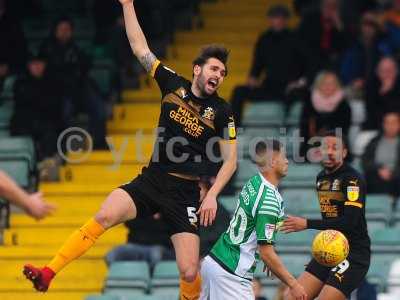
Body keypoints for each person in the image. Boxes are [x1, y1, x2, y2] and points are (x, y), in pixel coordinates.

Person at [23, 0, 237, 294]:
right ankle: (48, 273)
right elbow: (140, 49)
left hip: (184, 192)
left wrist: (211, 195)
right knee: (104, 215)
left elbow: (231, 162)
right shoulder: (173, 84)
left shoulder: (222, 111)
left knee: (189, 272)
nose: (218, 75)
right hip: (152, 180)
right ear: (197, 69)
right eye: (214, 68)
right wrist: (128, 4)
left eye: (223, 73)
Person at [199, 140, 307, 300]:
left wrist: (270, 251)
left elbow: (255, 227)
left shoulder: (254, 182)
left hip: (215, 261)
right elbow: (266, 253)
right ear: (272, 161)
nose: (287, 161)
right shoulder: (269, 199)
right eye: (283, 157)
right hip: (231, 274)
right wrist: (294, 284)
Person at [282, 131, 371, 300]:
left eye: (335, 148)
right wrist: (320, 251)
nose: (329, 151)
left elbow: (349, 223)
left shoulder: (352, 180)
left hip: (354, 253)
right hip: (330, 250)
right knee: (292, 297)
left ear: (344, 153)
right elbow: (330, 220)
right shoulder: (321, 177)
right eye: (325, 147)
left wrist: (306, 223)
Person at [230, 4, 310, 126]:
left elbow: (308, 64)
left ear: (286, 20)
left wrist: (299, 82)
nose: (278, 21)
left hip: (290, 88)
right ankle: (234, 129)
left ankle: (288, 131)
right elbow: (258, 63)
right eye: (275, 17)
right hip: (269, 86)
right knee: (239, 91)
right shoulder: (264, 39)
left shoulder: (297, 38)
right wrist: (253, 77)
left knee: (304, 95)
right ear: (269, 20)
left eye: (281, 18)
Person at [39, 17, 107, 149]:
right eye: (61, 29)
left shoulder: (75, 48)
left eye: (67, 29)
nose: (65, 32)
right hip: (58, 92)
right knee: (64, 112)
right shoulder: (46, 48)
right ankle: (69, 146)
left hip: (79, 88)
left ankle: (98, 143)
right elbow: (47, 75)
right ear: (55, 31)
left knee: (99, 108)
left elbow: (85, 67)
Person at [10, 54, 63, 162]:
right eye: (33, 64)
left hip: (46, 120)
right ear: (28, 66)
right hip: (24, 122)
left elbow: (54, 105)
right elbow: (22, 104)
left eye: (40, 64)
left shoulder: (52, 82)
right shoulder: (20, 82)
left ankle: (46, 164)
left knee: (52, 132)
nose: (37, 67)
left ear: (45, 65)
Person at [300, 71, 351, 159]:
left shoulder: (344, 105)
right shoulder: (309, 103)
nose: (327, 86)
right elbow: (304, 129)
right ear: (318, 85)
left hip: (336, 145)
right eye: (324, 83)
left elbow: (343, 130)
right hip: (312, 144)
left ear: (337, 86)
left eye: (331, 83)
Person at [340, 12, 391, 97]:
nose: (368, 28)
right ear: (360, 26)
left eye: (372, 25)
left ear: (377, 28)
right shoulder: (353, 45)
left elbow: (390, 65)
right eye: (365, 24)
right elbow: (345, 70)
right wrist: (352, 81)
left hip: (378, 90)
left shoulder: (383, 46)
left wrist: (383, 28)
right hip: (356, 89)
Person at [105, 213, 174, 270]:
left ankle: (150, 283)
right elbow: (130, 223)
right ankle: (123, 282)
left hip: (162, 248)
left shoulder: (168, 206)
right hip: (135, 246)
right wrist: (152, 218)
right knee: (112, 256)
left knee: (155, 255)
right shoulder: (136, 205)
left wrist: (146, 218)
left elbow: (169, 228)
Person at [297, 0, 348, 71]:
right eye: (327, 5)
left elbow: (347, 45)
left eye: (333, 6)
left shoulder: (341, 22)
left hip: (332, 65)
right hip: (310, 63)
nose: (329, 8)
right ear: (321, 6)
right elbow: (300, 41)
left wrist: (339, 24)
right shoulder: (310, 18)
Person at [362, 111, 400, 197]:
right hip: (376, 174)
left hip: (396, 177)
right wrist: (379, 169)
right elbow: (365, 160)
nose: (391, 126)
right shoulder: (374, 141)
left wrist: (392, 173)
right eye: (387, 123)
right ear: (383, 124)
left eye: (394, 122)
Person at [364, 56, 400, 130]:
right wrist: (383, 94)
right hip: (376, 127)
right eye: (383, 71)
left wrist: (389, 93)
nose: (387, 74)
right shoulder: (371, 86)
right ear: (377, 72)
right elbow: (371, 112)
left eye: (390, 70)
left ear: (396, 71)